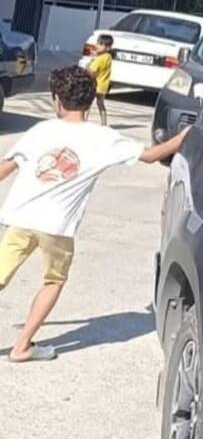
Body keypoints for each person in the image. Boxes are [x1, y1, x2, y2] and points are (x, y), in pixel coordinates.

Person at [0, 65, 188, 362]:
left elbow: (4, 168)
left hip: (20, 219)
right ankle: (22, 346)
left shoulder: (40, 131)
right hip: (57, 228)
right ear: (90, 100)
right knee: (53, 281)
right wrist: (183, 137)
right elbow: (151, 156)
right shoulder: (103, 138)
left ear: (56, 100)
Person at [85, 33, 114, 127]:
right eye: (98, 43)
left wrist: (90, 63)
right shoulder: (108, 57)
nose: (97, 46)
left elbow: (92, 71)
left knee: (87, 103)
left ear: (108, 47)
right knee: (100, 104)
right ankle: (104, 123)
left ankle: (84, 120)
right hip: (103, 86)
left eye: (101, 44)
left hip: (94, 85)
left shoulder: (100, 59)